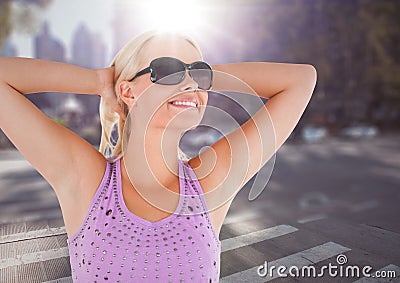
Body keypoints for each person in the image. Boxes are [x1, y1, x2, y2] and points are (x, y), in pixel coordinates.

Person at [0, 30, 317, 282]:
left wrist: (197, 76)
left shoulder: (208, 182)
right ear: (127, 92)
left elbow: (301, 79)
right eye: (167, 71)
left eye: (198, 74)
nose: (190, 83)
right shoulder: (88, 180)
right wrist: (98, 82)